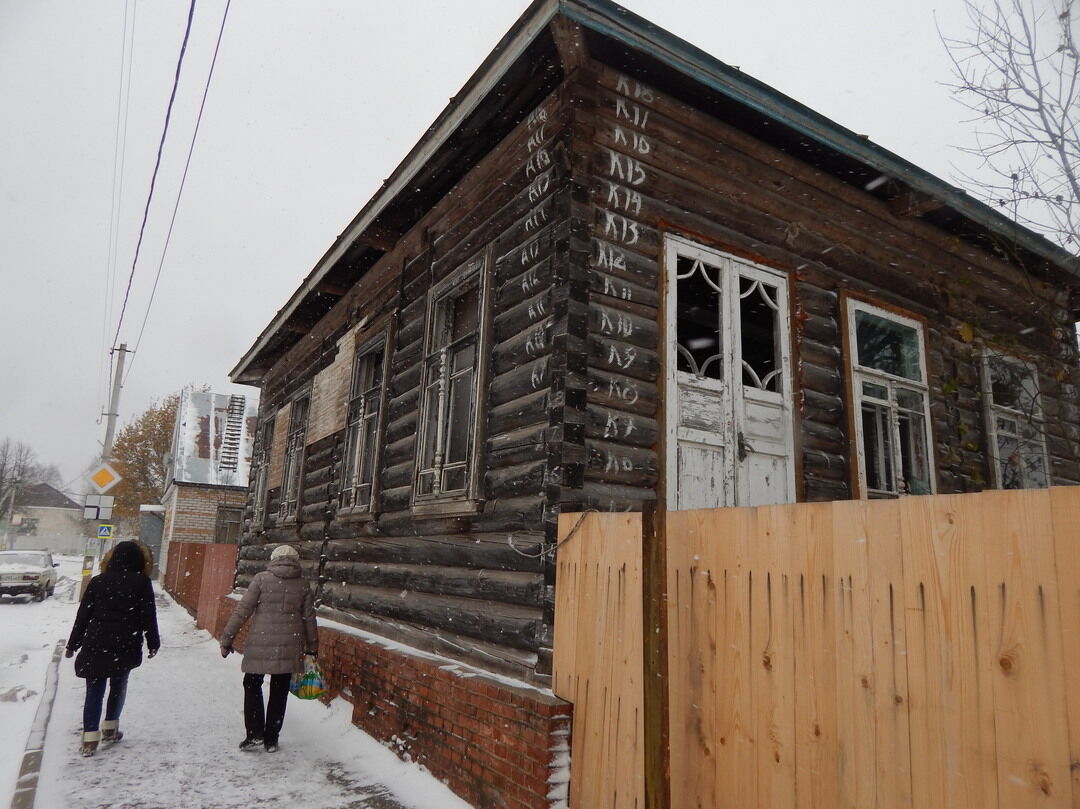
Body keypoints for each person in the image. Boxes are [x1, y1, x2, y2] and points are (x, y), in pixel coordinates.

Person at [219, 544, 318, 753]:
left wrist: (227, 639)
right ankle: (271, 739)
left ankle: (254, 733)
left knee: (252, 684)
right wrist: (312, 647)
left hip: (260, 643)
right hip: (289, 645)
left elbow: (242, 611)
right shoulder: (303, 585)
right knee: (280, 690)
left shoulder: (261, 579)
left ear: (274, 559)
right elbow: (309, 618)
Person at [65, 540, 160, 757]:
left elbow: (83, 616)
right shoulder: (141, 582)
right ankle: (110, 728)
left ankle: (89, 738)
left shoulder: (98, 582)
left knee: (94, 689)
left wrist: (73, 643)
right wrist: (153, 642)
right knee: (118, 685)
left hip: (96, 642)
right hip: (125, 643)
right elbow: (148, 615)